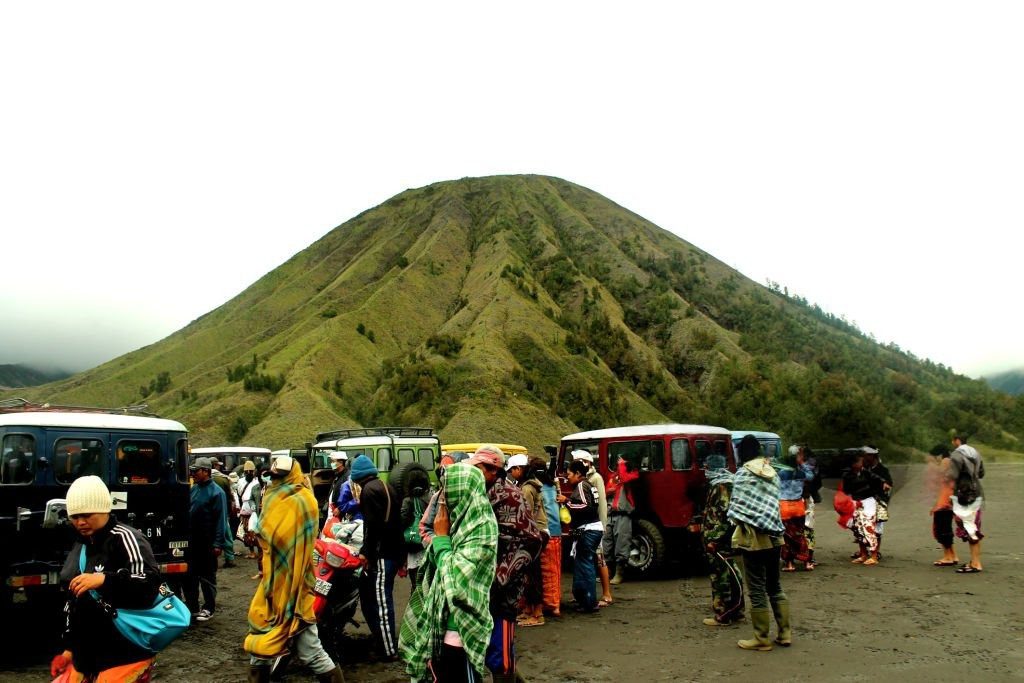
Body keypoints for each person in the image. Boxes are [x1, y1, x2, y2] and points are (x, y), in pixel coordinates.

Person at [51, 475, 164, 683]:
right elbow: (73, 602)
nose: (80, 522)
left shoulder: (127, 538)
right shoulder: (81, 544)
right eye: (74, 516)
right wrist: (68, 649)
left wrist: (104, 580)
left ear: (104, 509)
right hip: (86, 657)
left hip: (124, 655)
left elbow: (150, 584)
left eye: (87, 515)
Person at [244, 455, 344, 683]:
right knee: (261, 642)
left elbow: (299, 540)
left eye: (280, 476)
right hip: (272, 584)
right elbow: (264, 535)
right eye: (273, 476)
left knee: (311, 650)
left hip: (296, 586)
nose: (276, 481)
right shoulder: (271, 498)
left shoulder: (304, 501)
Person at [399, 463, 498, 683]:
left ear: (462, 492)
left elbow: (457, 582)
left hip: (461, 632)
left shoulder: (481, 528)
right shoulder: (461, 524)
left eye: (446, 492)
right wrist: (440, 538)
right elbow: (437, 564)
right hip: (444, 629)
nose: (441, 499)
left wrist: (441, 538)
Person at [466, 445, 542, 681]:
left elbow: (531, 540)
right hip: (477, 586)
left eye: (478, 469)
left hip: (503, 590)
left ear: (492, 470)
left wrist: (500, 576)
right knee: (486, 649)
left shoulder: (510, 495)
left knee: (501, 654)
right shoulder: (476, 493)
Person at [726, 434, 790, 651]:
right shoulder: (773, 473)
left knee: (756, 587)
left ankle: (761, 638)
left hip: (753, 539)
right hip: (775, 535)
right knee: (775, 585)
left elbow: (737, 509)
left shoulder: (743, 474)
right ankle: (785, 633)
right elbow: (772, 503)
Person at [350, 454, 404, 661]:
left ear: (357, 476)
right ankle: (383, 641)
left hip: (383, 554)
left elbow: (372, 528)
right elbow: (396, 523)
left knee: (382, 602)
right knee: (382, 599)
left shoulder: (368, 491)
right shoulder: (385, 485)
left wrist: (366, 552)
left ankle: (389, 650)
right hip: (392, 552)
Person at [701, 454, 744, 627]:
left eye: (706, 467)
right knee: (732, 573)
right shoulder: (726, 483)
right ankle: (736, 610)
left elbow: (726, 516)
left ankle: (723, 613)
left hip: (719, 541)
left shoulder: (722, 486)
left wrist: (716, 540)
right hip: (724, 539)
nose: (704, 470)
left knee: (721, 576)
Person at [558, 459, 603, 614]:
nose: (567, 477)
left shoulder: (582, 485)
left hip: (589, 529)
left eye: (569, 474)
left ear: (578, 474)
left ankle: (590, 602)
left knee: (586, 564)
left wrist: (567, 501)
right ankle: (583, 599)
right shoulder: (588, 484)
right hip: (588, 529)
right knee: (581, 563)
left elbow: (585, 506)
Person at [185, 456, 226, 622]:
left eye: (196, 471)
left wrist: (218, 543)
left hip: (207, 542)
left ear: (206, 471)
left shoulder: (217, 493)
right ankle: (192, 607)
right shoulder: (194, 489)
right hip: (192, 541)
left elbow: (221, 520)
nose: (193, 473)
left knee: (207, 577)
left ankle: (209, 607)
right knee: (191, 576)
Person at [572, 449, 613, 606]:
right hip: (586, 526)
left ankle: (606, 593)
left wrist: (602, 526)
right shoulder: (585, 480)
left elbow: (601, 504)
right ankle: (584, 594)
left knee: (599, 558)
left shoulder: (595, 478)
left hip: (593, 526)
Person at [514, 455, 549, 627]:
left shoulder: (527, 489)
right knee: (529, 573)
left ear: (519, 469)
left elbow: (524, 515)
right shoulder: (531, 485)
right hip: (538, 531)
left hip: (534, 533)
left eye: (513, 470)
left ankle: (537, 614)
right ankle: (529, 610)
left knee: (533, 575)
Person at [948, 434, 985, 573]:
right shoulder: (976, 452)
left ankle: (976, 563)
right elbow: (981, 473)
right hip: (977, 492)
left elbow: (952, 475)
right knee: (972, 525)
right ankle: (975, 561)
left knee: (970, 527)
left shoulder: (956, 454)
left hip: (964, 493)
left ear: (957, 441)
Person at [841, 451, 886, 566]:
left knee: (869, 528)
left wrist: (876, 490)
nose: (863, 462)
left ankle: (874, 555)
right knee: (858, 529)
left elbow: (879, 482)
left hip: (869, 501)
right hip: (856, 502)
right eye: (860, 461)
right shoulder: (847, 475)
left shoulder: (866, 473)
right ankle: (863, 554)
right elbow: (846, 490)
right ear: (854, 464)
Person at [605, 453, 640, 585]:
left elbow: (625, 479)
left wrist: (622, 466)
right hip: (610, 514)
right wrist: (610, 490)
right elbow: (607, 489)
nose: (619, 463)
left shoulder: (633, 474)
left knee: (622, 544)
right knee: (606, 543)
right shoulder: (614, 476)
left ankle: (619, 573)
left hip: (624, 514)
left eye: (622, 461)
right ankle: (607, 572)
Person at [537, 460, 563, 618]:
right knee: (554, 570)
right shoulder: (552, 487)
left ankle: (551, 605)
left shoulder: (539, 488)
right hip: (556, 532)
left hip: (547, 531)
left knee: (546, 571)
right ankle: (554, 602)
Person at [776, 446, 808, 572]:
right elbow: (811, 477)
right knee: (800, 534)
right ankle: (806, 561)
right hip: (799, 507)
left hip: (784, 507)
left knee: (786, 536)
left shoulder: (781, 474)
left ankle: (789, 563)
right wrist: (802, 464)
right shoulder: (801, 473)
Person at [926, 445, 959, 566]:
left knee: (942, 528)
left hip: (945, 500)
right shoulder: (951, 462)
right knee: (945, 527)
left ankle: (948, 556)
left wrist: (933, 466)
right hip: (946, 498)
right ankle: (952, 555)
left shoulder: (946, 461)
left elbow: (940, 477)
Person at [861, 446, 893, 560]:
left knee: (877, 529)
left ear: (872, 456)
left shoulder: (882, 470)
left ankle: (875, 552)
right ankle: (864, 551)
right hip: (864, 501)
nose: (864, 457)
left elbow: (889, 486)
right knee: (862, 526)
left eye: (866, 455)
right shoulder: (863, 468)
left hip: (878, 501)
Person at [210, 460, 237, 568]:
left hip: (207, 514)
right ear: (214, 465)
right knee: (226, 535)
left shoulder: (197, 479)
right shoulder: (223, 479)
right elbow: (230, 496)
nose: (219, 467)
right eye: (217, 465)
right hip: (222, 512)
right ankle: (229, 559)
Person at [323, 451, 348, 519]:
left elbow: (348, 497)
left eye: (333, 461)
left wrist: (340, 508)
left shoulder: (347, 477)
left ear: (340, 463)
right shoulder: (337, 476)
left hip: (340, 514)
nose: (331, 464)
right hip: (333, 511)